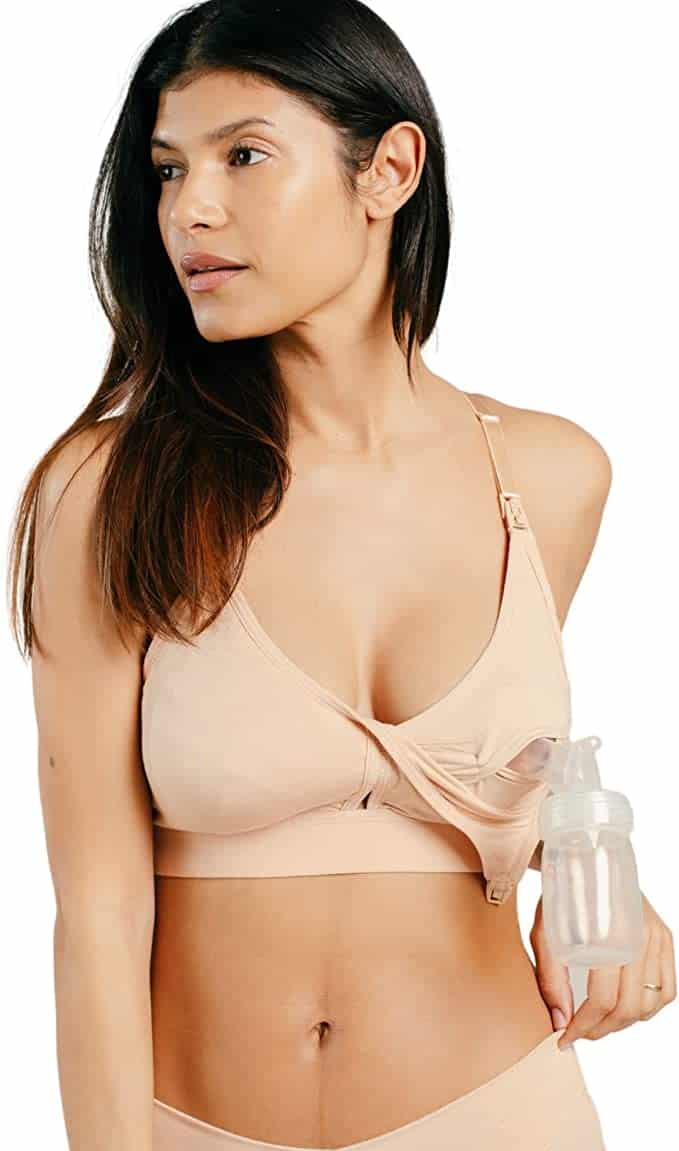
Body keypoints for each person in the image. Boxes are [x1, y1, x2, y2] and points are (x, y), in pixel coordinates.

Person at [9, 2, 675, 1149]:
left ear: (389, 170)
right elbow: (99, 912)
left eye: (243, 155)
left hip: (504, 1110)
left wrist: (599, 872)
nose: (189, 208)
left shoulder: (551, 475)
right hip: (196, 1124)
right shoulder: (111, 489)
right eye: (167, 169)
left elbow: (487, 790)